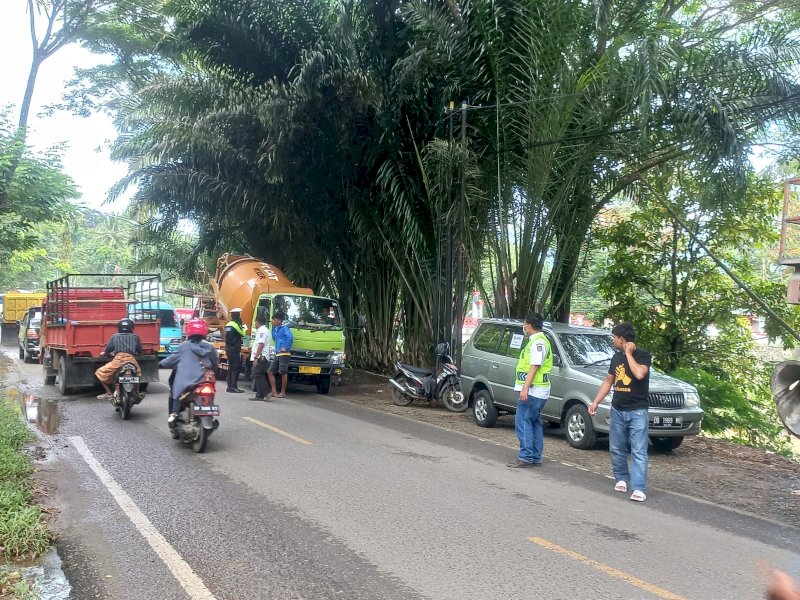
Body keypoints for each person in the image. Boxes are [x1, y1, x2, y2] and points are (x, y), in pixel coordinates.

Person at [589, 322, 652, 502]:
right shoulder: (615, 358)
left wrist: (629, 354)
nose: (613, 340)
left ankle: (638, 488)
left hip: (638, 411)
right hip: (617, 409)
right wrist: (595, 402)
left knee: (639, 450)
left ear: (621, 339)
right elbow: (608, 382)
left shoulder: (643, 355)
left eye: (614, 337)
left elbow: (640, 374)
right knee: (616, 447)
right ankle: (622, 479)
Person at [508, 312, 552, 468]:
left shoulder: (537, 343)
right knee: (534, 422)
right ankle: (535, 456)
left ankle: (526, 456)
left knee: (524, 421)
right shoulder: (539, 340)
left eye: (525, 324)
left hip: (534, 390)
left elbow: (535, 366)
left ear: (529, 325)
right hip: (538, 389)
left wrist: (525, 388)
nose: (524, 327)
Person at [160, 319, 218, 423]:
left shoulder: (184, 346)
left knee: (175, 392)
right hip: (205, 381)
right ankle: (209, 410)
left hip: (187, 383)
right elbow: (215, 362)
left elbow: (170, 360)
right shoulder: (210, 347)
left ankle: (174, 412)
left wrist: (160, 364)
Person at [95, 318, 143, 402]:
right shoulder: (136, 337)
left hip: (118, 360)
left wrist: (105, 353)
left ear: (119, 327)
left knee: (99, 372)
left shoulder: (115, 337)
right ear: (132, 328)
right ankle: (136, 393)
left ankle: (109, 393)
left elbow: (108, 350)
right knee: (137, 374)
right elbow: (139, 351)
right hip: (131, 360)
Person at [268, 311, 293, 398]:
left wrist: (285, 347)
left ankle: (283, 392)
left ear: (279, 320)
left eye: (274, 320)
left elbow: (290, 337)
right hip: (278, 353)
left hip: (284, 353)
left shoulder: (285, 328)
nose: (273, 321)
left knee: (283, 372)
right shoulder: (276, 328)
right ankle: (274, 392)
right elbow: (274, 338)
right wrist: (272, 328)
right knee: (270, 371)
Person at [224, 307, 247, 393]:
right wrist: (244, 327)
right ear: (238, 315)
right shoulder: (235, 325)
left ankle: (229, 387)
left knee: (230, 368)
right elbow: (243, 334)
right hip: (234, 349)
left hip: (228, 348)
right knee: (236, 368)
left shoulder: (228, 324)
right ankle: (234, 387)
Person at [249, 316, 271, 401]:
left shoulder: (262, 331)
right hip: (261, 356)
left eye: (255, 323)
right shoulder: (264, 330)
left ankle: (266, 392)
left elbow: (261, 345)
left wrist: (256, 357)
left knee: (257, 374)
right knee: (258, 374)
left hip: (261, 357)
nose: (255, 324)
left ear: (257, 322)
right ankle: (260, 395)